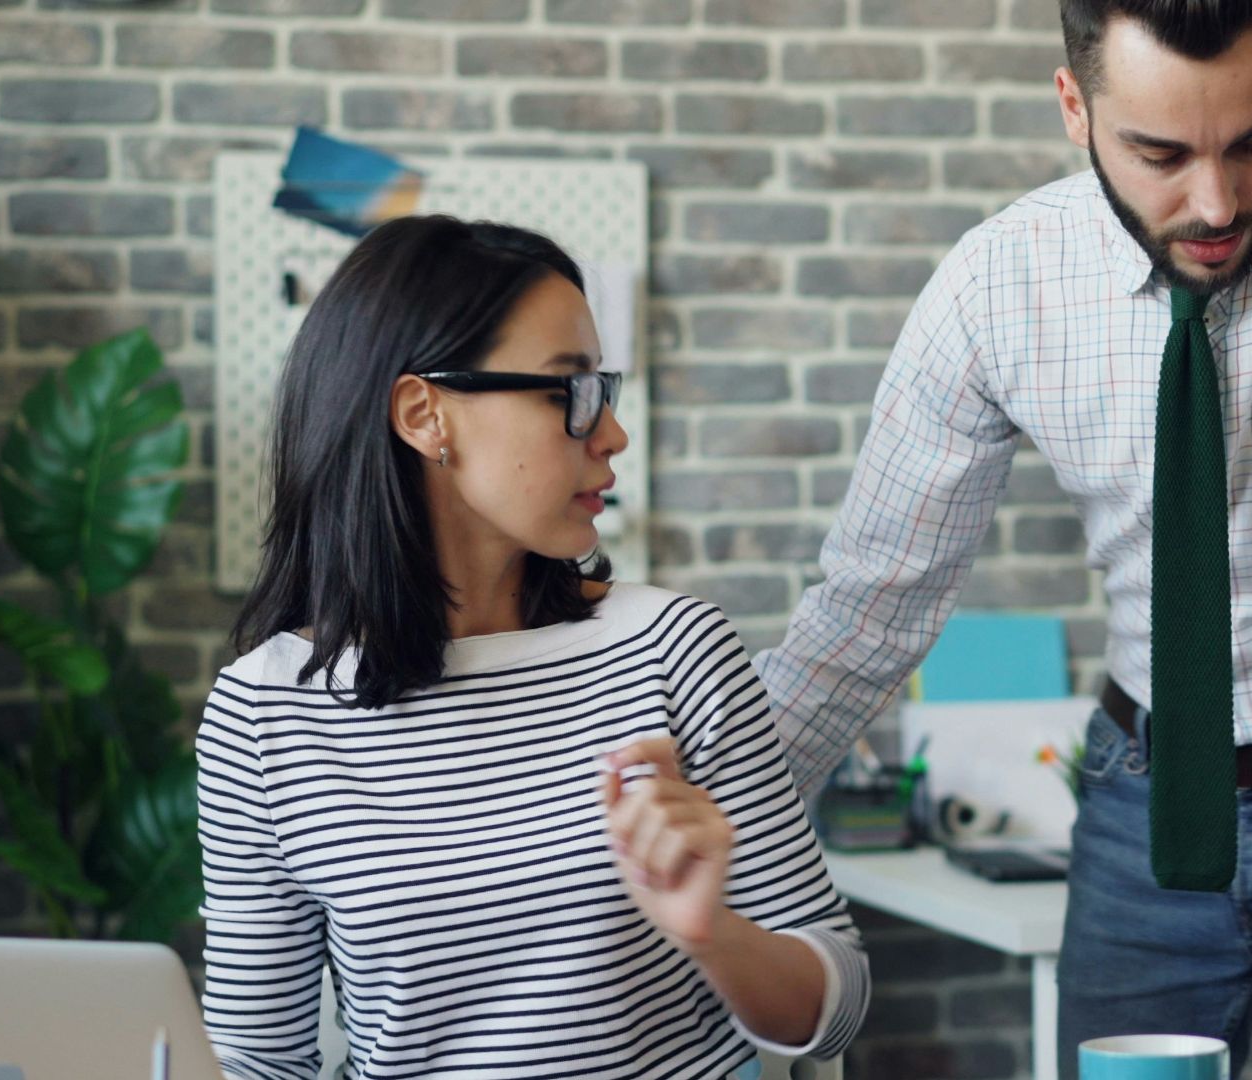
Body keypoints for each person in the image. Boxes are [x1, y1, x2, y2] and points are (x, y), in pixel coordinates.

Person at [753, 1, 1252, 1075]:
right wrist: (720, 827)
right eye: (1160, 153)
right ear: (1075, 107)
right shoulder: (998, 287)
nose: (1215, 201)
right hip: (1145, 802)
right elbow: (869, 607)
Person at [199, 215, 868, 1079]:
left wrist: (713, 935)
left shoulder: (672, 649)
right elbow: (257, 1060)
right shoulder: (264, 712)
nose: (612, 433)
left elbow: (837, 1004)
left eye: (604, 387)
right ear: (423, 413)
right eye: (569, 391)